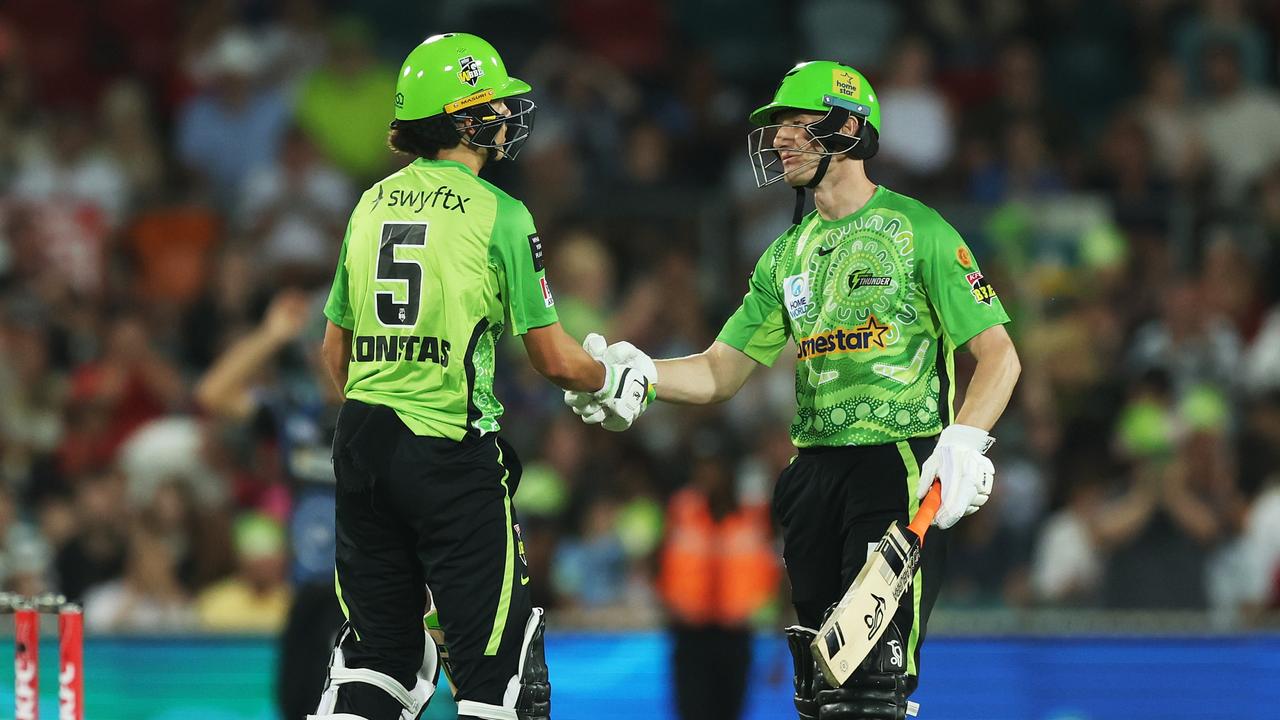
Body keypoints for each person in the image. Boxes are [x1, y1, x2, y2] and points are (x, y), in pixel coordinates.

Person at [566, 60, 1021, 718]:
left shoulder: (922, 231)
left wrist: (963, 440)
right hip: (811, 478)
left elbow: (999, 354)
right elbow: (722, 370)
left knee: (869, 691)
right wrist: (637, 373)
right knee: (820, 693)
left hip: (894, 466)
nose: (779, 137)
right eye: (776, 124)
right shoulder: (785, 256)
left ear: (848, 128)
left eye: (795, 122)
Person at [312, 33, 653, 720]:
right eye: (493, 105)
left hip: (360, 444)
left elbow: (332, 359)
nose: (505, 117)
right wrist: (614, 379)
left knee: (377, 660)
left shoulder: (369, 203)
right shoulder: (502, 214)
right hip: (448, 455)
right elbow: (553, 359)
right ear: (465, 120)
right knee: (503, 683)